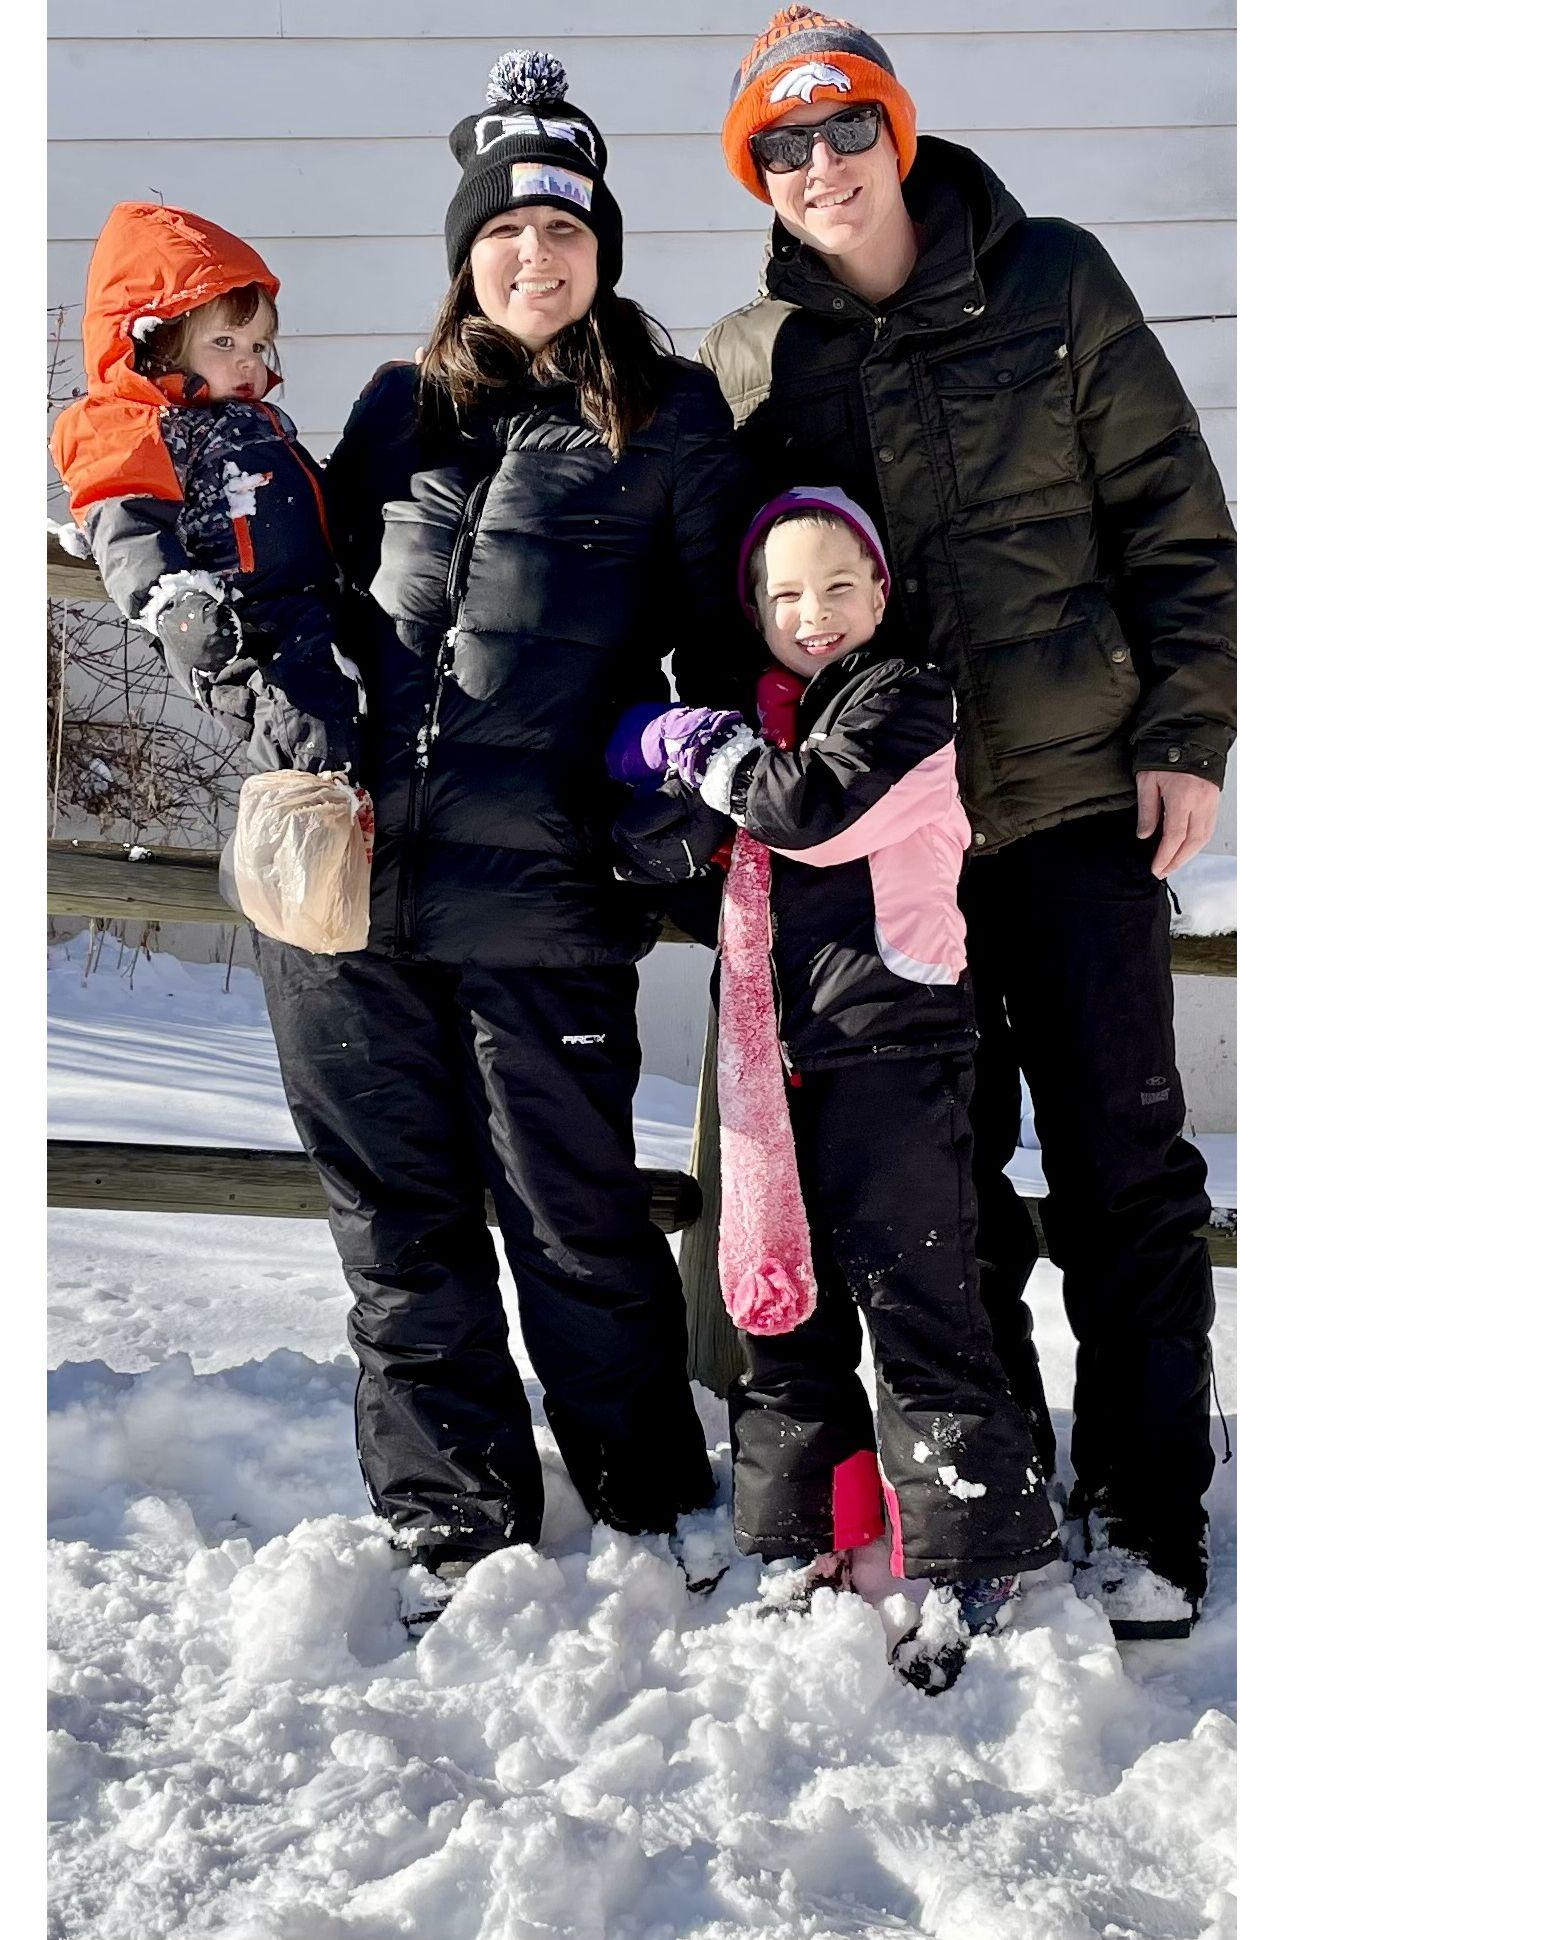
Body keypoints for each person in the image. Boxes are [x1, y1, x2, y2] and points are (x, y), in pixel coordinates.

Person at [700, 8, 1237, 1638]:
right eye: (781, 147)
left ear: (898, 131)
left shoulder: (1053, 281)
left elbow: (1177, 525)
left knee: (1120, 1166)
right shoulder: (760, 358)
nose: (821, 165)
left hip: (1078, 809)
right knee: (942, 1187)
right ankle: (987, 1493)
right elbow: (739, 598)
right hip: (889, 858)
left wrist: (1187, 733)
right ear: (761, 177)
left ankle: (1145, 1510)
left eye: (844, 127)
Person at [255, 50, 751, 1627]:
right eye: (505, 232)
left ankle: (647, 1492)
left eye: (565, 229)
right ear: (465, 252)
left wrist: (657, 820)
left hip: (541, 901)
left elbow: (723, 661)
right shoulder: (399, 407)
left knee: (575, 1224)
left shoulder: (667, 420)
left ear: (601, 246)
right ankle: (452, 1518)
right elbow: (315, 604)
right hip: (345, 903)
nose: (535, 258)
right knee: (398, 1235)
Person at [609, 487, 1058, 1693]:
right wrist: (653, 776)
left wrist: (693, 747)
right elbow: (665, 860)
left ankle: (973, 1546)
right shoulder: (768, 722)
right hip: (775, 1057)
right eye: (784, 593)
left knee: (921, 1299)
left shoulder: (902, 702)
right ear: (754, 608)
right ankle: (810, 1530)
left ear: (879, 595)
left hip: (893, 1046)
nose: (811, 612)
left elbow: (805, 810)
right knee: (786, 1304)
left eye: (836, 586)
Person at [50, 201, 358, 780]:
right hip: (241, 627)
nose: (248, 362)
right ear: (159, 342)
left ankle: (348, 834)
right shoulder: (134, 427)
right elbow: (126, 527)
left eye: (258, 346)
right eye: (224, 343)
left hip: (311, 607)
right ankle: (312, 847)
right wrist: (173, 605)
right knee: (306, 739)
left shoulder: (252, 421)